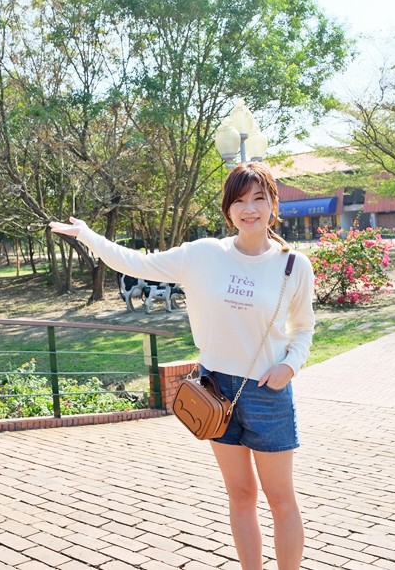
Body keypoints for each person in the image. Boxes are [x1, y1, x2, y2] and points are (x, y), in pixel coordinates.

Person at [49, 161, 314, 570]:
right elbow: (136, 263)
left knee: (281, 499)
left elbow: (303, 327)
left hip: (267, 390)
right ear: (227, 210)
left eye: (259, 198)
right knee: (240, 495)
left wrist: (290, 366)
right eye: (239, 200)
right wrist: (88, 236)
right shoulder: (203, 255)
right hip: (213, 389)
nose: (249, 209)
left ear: (273, 204)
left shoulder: (293, 265)